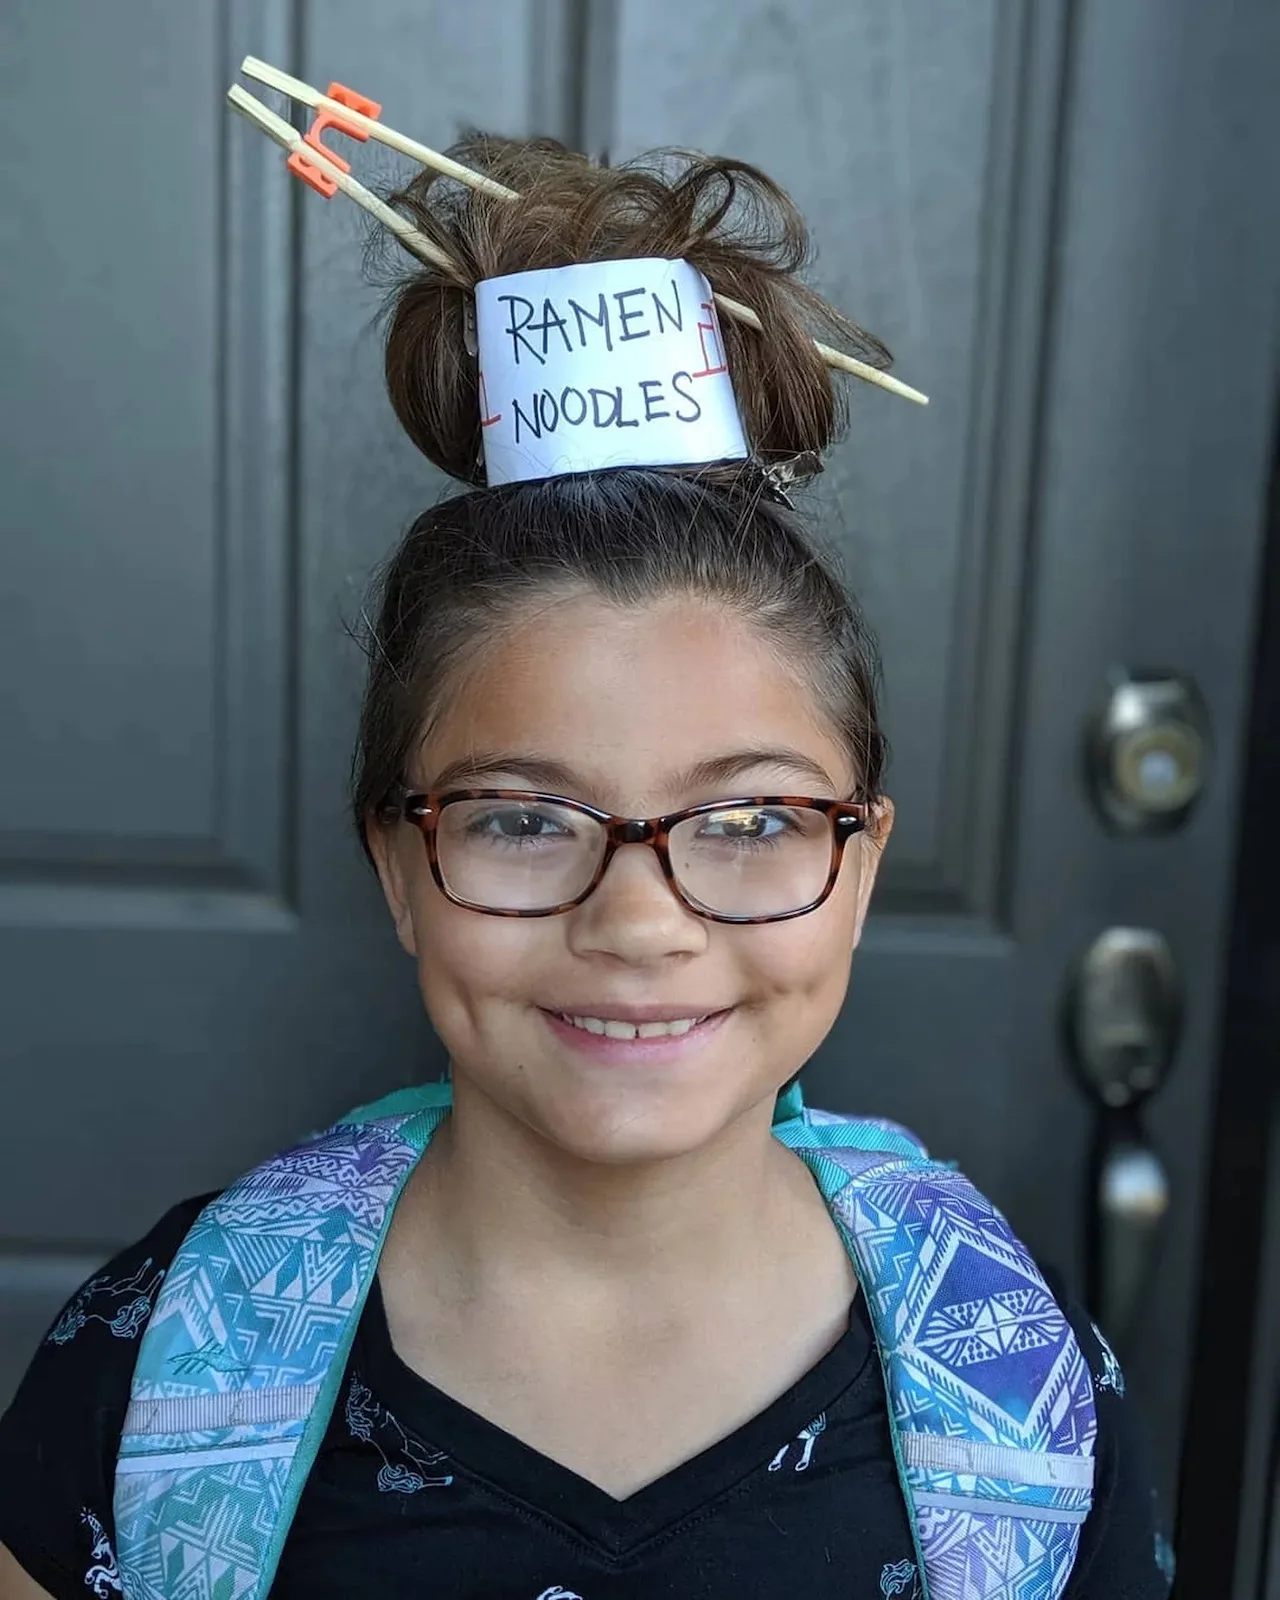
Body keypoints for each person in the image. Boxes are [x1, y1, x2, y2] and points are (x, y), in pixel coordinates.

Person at [0, 133, 1174, 1599]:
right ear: (398, 865)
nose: (637, 923)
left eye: (748, 823)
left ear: (861, 870)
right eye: (522, 818)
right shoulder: (161, 1365)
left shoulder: (1017, 1387)